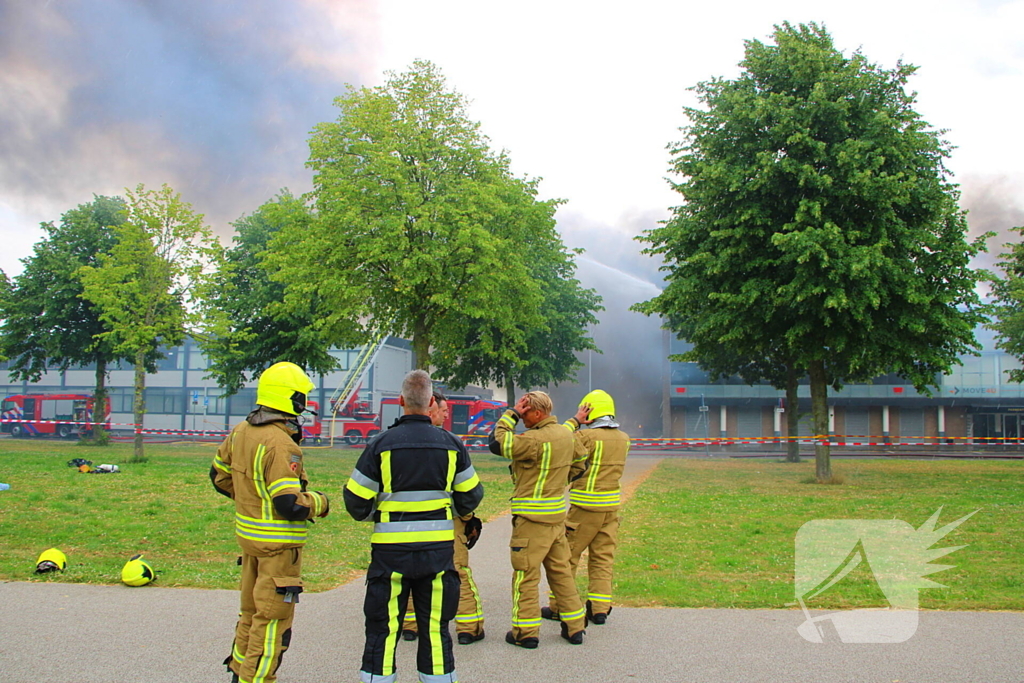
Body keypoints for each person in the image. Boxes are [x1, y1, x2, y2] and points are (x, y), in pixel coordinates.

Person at [345, 370, 484, 683]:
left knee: (382, 629)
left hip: (390, 555)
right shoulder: (452, 445)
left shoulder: (380, 445)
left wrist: (378, 514)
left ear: (400, 401)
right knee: (435, 629)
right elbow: (471, 495)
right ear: (431, 401)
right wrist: (449, 510)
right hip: (437, 554)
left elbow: (355, 501)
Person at [210, 362, 330, 683]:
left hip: (250, 542)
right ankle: (256, 678)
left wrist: (251, 501)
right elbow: (289, 504)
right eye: (302, 397)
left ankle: (239, 670)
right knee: (272, 621)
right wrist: (320, 502)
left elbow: (218, 476)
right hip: (278, 550)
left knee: (250, 613)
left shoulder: (240, 431)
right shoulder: (280, 444)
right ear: (291, 398)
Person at [488, 390, 588, 648]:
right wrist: (562, 481)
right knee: (561, 573)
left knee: (526, 575)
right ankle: (575, 627)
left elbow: (497, 442)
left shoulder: (533, 440)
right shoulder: (566, 435)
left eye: (526, 412)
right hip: (556, 518)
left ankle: (525, 633)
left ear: (538, 413)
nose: (523, 418)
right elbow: (582, 462)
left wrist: (510, 414)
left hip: (531, 520)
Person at [402, 390, 487, 645]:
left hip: (405, 523)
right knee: (457, 572)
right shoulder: (450, 444)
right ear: (430, 409)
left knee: (410, 573)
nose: (447, 415)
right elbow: (470, 491)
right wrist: (466, 517)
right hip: (446, 521)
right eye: (443, 410)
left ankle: (411, 625)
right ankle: (469, 627)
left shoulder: (393, 441)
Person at [543, 389, 631, 625]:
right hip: (610, 509)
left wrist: (575, 420)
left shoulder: (585, 437)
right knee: (603, 558)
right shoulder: (624, 438)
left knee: (566, 558)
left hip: (584, 509)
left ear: (588, 411)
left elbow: (558, 440)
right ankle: (599, 609)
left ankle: (559, 607)